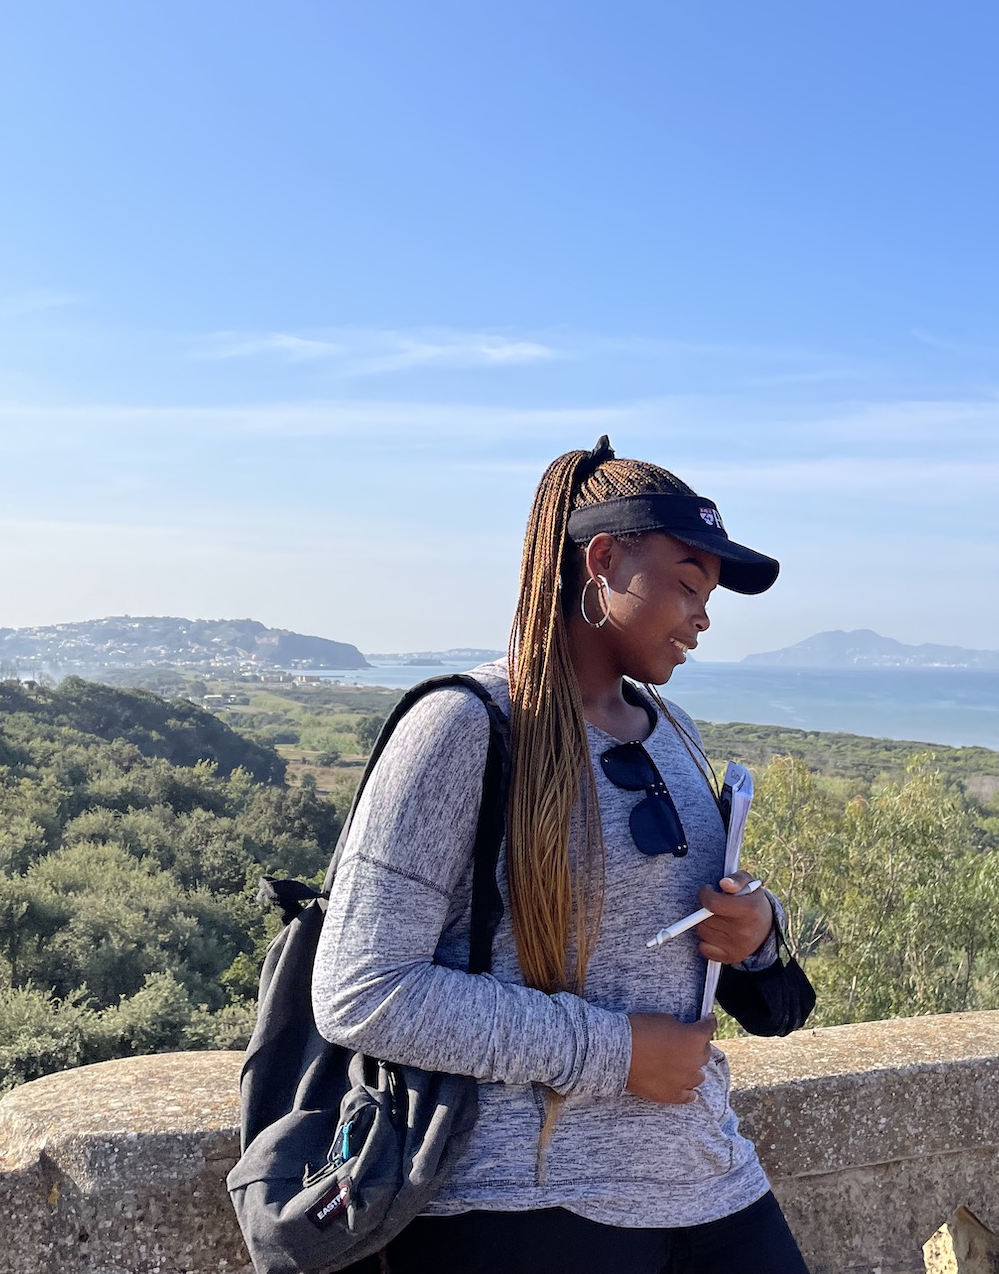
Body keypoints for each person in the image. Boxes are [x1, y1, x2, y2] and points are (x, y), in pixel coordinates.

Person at [311, 438, 812, 1274]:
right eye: (688, 584)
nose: (704, 615)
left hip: (706, 1179)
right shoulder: (467, 726)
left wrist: (756, 929)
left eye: (712, 595)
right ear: (604, 560)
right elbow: (361, 989)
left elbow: (683, 924)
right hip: (524, 1203)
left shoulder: (674, 734)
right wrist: (614, 1054)